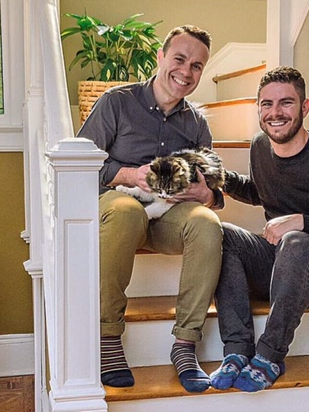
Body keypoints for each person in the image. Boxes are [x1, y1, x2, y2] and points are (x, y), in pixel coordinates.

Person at [209, 66, 309, 392]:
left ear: (305, 107)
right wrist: (219, 180)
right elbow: (261, 191)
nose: (276, 113)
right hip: (279, 263)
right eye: (267, 104)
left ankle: (270, 356)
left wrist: (302, 221)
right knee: (222, 233)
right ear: (258, 109)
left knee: (297, 242)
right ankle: (237, 349)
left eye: (286, 102)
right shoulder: (260, 146)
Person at [78, 25, 223, 393]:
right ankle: (107, 336)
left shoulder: (197, 123)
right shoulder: (116, 102)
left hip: (167, 214)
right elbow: (79, 163)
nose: (186, 72)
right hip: (118, 204)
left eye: (196, 66)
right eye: (179, 59)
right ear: (160, 57)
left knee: (207, 223)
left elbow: (214, 184)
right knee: (126, 212)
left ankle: (185, 344)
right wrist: (130, 174)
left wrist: (205, 194)